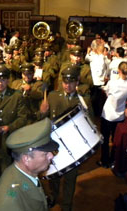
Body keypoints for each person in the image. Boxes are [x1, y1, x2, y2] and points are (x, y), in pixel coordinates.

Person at [39, 65, 93, 211]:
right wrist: (42, 112)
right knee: (53, 175)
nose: (67, 85)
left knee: (70, 178)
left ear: (77, 82)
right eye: (64, 82)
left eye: (71, 82)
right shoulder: (52, 96)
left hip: (73, 146)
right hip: (54, 145)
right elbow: (43, 120)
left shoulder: (84, 100)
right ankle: (53, 196)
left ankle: (67, 205)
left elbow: (90, 123)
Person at [0, 118, 59, 211]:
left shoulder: (26, 173)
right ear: (26, 159)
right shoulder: (8, 202)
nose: (51, 156)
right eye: (45, 154)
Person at [99, 62, 127, 167]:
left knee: (105, 139)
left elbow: (106, 92)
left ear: (119, 71)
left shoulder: (112, 83)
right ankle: (114, 160)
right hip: (119, 115)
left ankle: (104, 161)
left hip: (108, 114)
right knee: (115, 140)